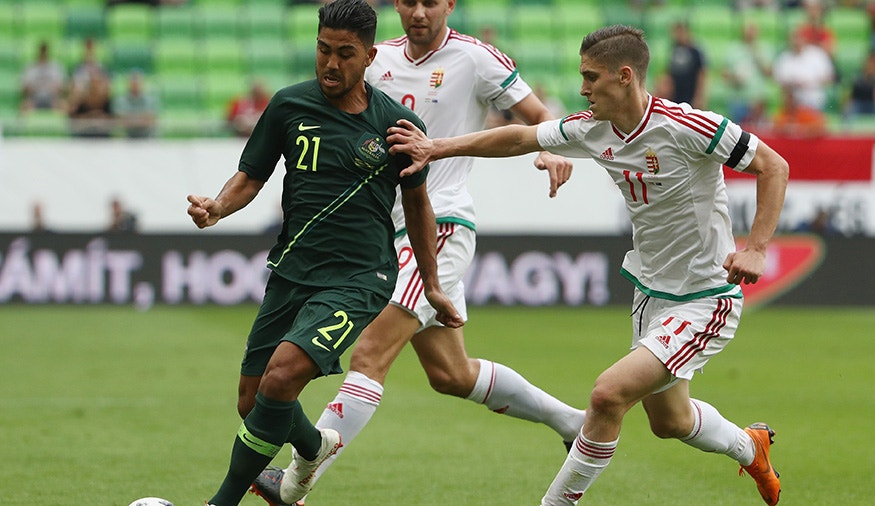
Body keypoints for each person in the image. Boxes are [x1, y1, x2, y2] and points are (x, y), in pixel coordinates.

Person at [386, 24, 789, 506]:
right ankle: (751, 447)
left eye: (590, 77)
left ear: (624, 76)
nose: (582, 88)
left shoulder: (688, 126)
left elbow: (773, 165)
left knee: (607, 394)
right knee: (670, 422)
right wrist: (436, 147)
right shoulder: (592, 128)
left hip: (706, 296)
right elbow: (519, 138)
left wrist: (756, 248)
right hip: (651, 294)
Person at [252, 1, 583, 504]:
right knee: (452, 374)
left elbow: (539, 116)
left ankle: (295, 482)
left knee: (369, 352)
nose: (419, 12)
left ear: (450, 4)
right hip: (383, 233)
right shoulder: (374, 59)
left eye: (431, 1)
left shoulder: (476, 58)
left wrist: (550, 147)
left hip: (439, 225)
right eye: (409, 1)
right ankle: (573, 423)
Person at [187, 2, 463, 505]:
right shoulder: (289, 105)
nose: (331, 64)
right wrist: (218, 207)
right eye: (323, 50)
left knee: (281, 377)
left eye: (345, 54)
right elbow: (250, 176)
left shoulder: (398, 125)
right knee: (253, 402)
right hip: (293, 270)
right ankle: (315, 447)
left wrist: (433, 285)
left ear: (370, 57)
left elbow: (419, 207)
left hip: (360, 279)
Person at [721, 22, 773, 127]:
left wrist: (756, 55)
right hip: (738, 98)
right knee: (737, 129)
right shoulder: (733, 49)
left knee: (757, 130)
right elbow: (724, 73)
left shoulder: (763, 48)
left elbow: (769, 73)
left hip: (757, 98)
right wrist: (734, 78)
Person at [771, 28, 835, 112]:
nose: (796, 42)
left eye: (798, 38)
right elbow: (778, 81)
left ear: (804, 39)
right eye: (793, 39)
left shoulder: (817, 54)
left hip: (814, 97)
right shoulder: (784, 58)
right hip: (792, 100)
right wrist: (794, 83)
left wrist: (810, 82)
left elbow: (829, 77)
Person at [656, 21, 706, 108]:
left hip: (689, 91)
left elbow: (701, 73)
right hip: (675, 93)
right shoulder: (674, 49)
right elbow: (669, 70)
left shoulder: (695, 51)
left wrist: (699, 96)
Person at [19, 41, 67, 115]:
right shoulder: (31, 67)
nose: (43, 53)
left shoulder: (56, 67)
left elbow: (63, 86)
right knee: (24, 106)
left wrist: (56, 90)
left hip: (52, 98)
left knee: (64, 106)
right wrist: (31, 89)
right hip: (34, 97)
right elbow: (24, 87)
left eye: (45, 51)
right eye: (42, 51)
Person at [68, 69, 114, 138]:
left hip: (103, 137)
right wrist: (90, 116)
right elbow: (72, 119)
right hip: (83, 136)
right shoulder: (81, 100)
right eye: (94, 84)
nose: (96, 87)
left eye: (99, 84)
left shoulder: (109, 101)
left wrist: (102, 117)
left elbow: (116, 120)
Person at [113, 69, 159, 138]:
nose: (135, 85)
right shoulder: (120, 100)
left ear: (142, 83)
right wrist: (141, 118)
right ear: (128, 84)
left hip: (147, 138)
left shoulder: (151, 100)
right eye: (133, 82)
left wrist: (130, 119)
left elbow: (151, 119)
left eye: (137, 82)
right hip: (127, 138)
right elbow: (120, 120)